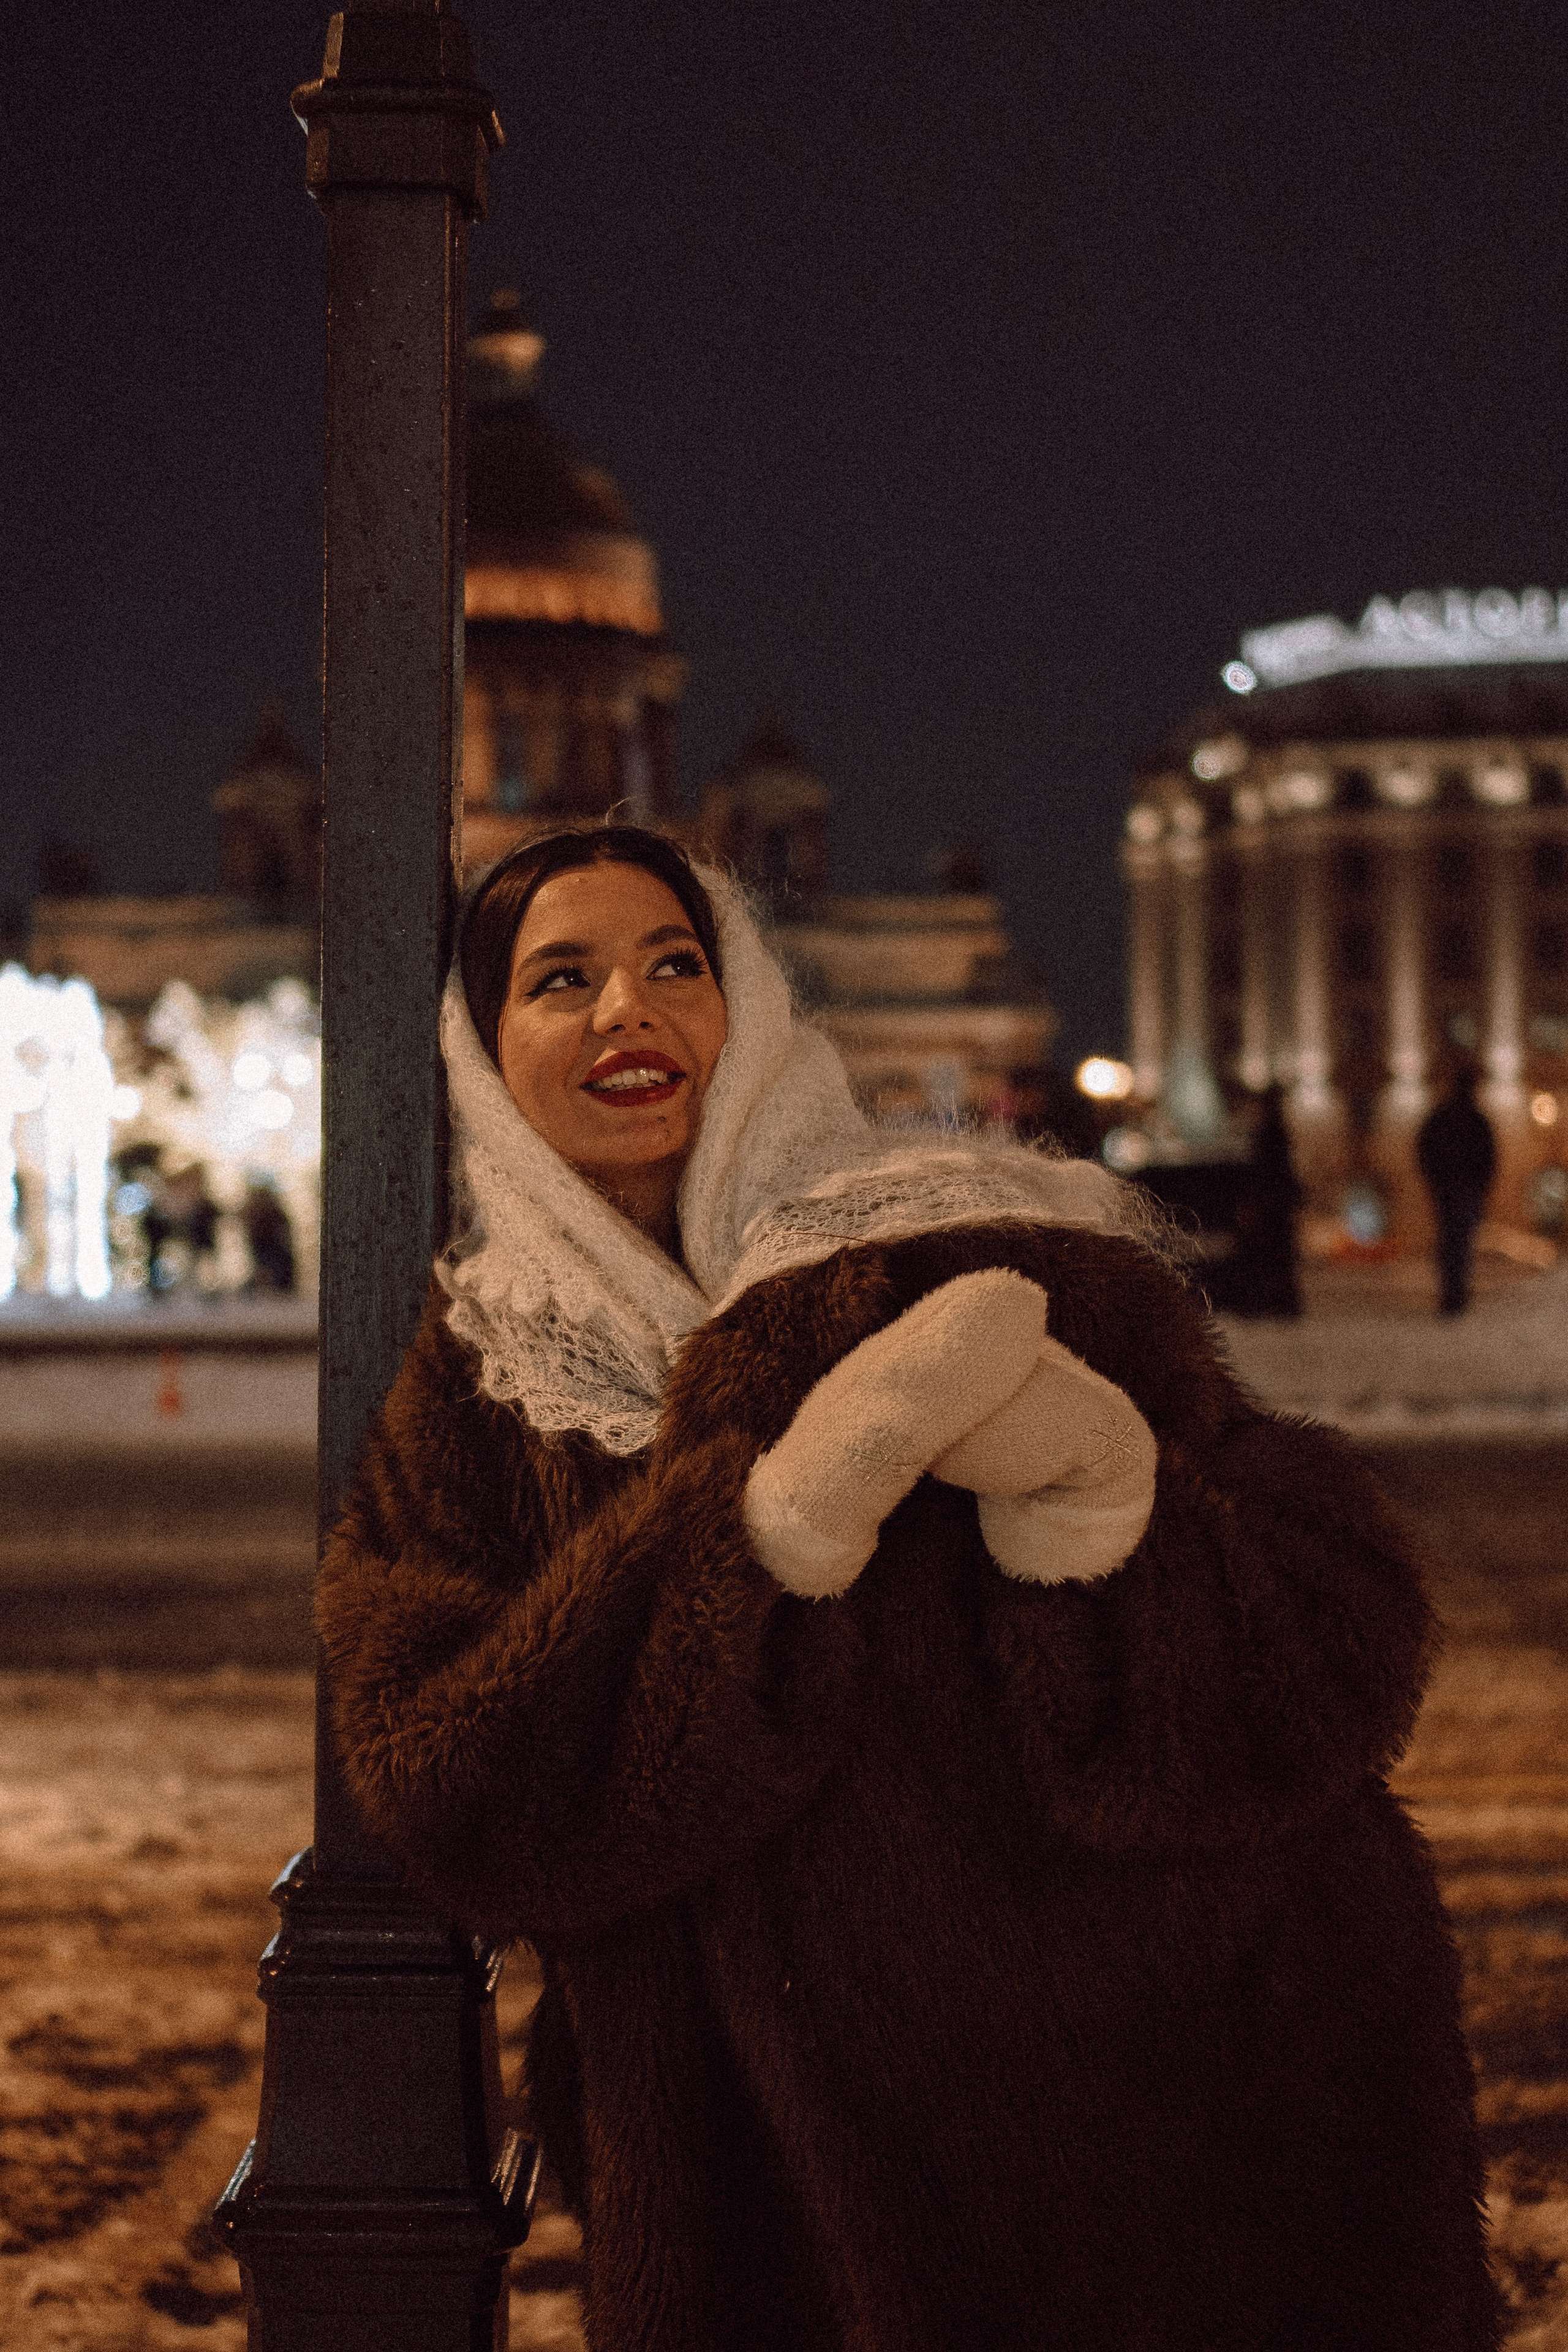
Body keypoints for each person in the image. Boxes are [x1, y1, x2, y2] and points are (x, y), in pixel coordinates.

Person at [317, 825, 1497, 2352]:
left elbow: (1339, 1649)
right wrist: (755, 1542)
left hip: (1189, 2131)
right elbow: (449, 1785)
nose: (626, 1009)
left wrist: (1106, 1507)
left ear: (744, 1004)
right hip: (774, 2202)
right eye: (560, 979)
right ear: (483, 1052)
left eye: (674, 962)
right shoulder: (482, 1392)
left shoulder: (986, 1248)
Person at [1417, 1063, 1498, 1316]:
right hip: (1466, 1190)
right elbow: (1489, 1159)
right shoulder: (1477, 1120)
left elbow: (1424, 1149)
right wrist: (1482, 1186)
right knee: (1461, 1242)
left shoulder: (1441, 1117)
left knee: (1449, 1241)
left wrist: (1434, 1179)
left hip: (1447, 1189)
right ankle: (1456, 1293)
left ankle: (1451, 1293)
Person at [1231, 1083, 1304, 1317]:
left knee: (1267, 1255)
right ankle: (1279, 1302)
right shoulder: (1276, 1133)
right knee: (1277, 1256)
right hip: (1276, 1206)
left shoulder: (1267, 1135)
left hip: (1269, 1206)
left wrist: (1252, 1202)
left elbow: (1264, 1173)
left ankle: (1268, 1302)